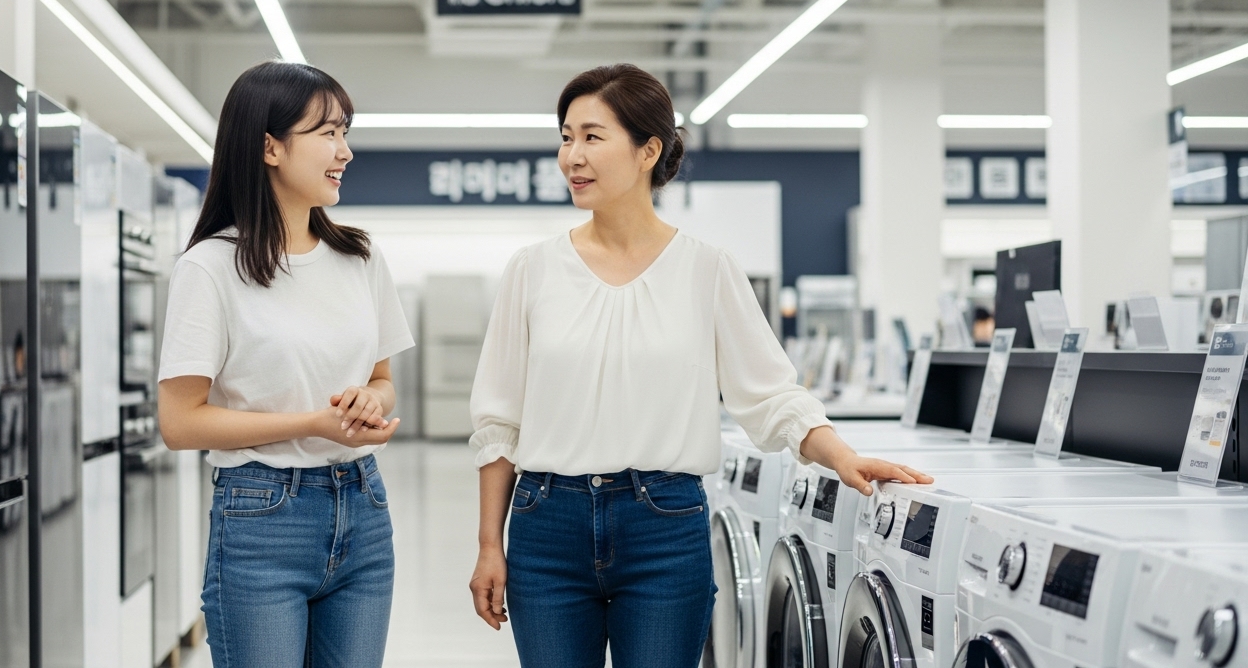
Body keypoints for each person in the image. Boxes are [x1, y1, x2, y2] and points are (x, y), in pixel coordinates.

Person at [466, 64, 933, 668]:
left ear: (647, 150)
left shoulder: (706, 269)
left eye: (591, 136)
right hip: (546, 526)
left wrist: (841, 455)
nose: (571, 156)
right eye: (565, 137)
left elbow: (771, 396)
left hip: (663, 526)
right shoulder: (532, 270)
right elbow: (498, 422)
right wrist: (488, 544)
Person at [157, 62, 413, 668]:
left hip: (364, 512)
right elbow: (180, 422)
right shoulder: (210, 268)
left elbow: (383, 382)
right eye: (327, 133)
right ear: (270, 146)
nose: (345, 151)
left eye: (345, 132)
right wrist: (310, 423)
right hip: (260, 520)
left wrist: (371, 402)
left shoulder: (360, 257)